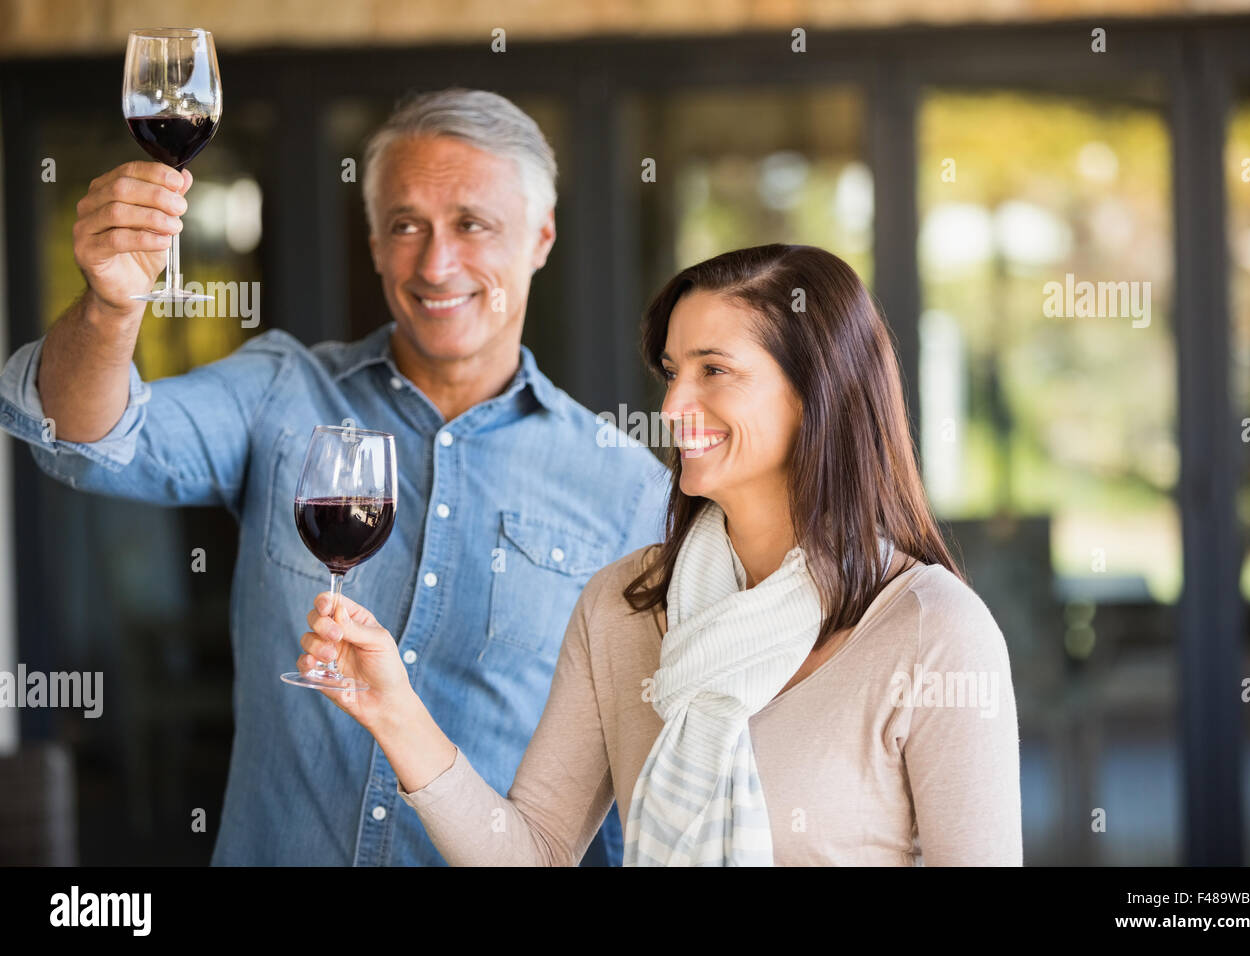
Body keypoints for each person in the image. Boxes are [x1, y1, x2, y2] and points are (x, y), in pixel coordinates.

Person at [0, 88, 668, 865]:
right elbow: (84, 436)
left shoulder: (627, 490)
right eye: (405, 225)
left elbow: (626, 785)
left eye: (472, 225)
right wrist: (112, 309)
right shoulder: (282, 392)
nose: (435, 262)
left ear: (541, 237)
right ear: (376, 243)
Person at [295, 243, 1023, 865]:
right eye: (672, 371)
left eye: (714, 370)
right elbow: (534, 850)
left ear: (818, 393)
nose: (672, 408)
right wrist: (394, 712)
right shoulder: (624, 603)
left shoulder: (932, 631)